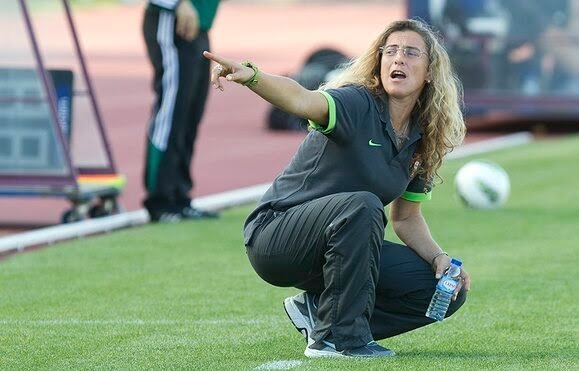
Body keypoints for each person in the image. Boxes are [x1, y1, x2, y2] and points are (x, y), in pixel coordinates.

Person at [204, 18, 471, 358]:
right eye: (390, 51)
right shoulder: (356, 104)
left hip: (343, 247)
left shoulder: (423, 139)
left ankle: (321, 315)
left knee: (444, 291)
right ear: (379, 62)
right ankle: (339, 341)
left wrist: (440, 258)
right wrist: (254, 76)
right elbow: (302, 100)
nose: (398, 59)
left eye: (410, 53)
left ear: (430, 71)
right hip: (276, 237)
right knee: (363, 205)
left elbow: (406, 219)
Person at [142, 0, 221, 222]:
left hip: (199, 25)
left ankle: (179, 195)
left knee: (190, 112)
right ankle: (160, 199)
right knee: (172, 111)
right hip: (172, 19)